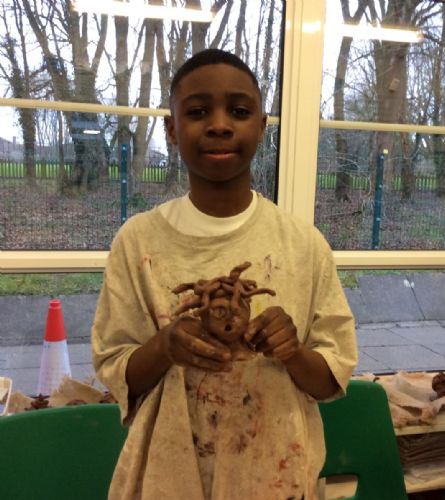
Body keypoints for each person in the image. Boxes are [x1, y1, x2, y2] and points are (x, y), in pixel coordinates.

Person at [92, 48, 357, 500]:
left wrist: (293, 352)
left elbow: (331, 378)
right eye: (198, 112)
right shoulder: (139, 243)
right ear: (171, 128)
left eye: (238, 111)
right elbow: (118, 372)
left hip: (274, 473)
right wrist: (164, 345)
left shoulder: (302, 245)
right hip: (168, 477)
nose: (219, 125)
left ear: (262, 126)